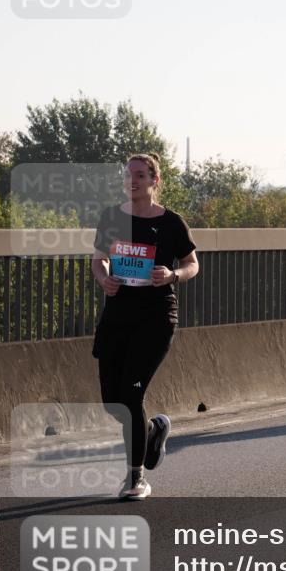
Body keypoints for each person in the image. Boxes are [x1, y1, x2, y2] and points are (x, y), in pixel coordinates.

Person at [91, 153, 199, 500]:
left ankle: (135, 477)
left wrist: (172, 275)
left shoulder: (171, 223)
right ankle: (151, 430)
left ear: (155, 180)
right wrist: (105, 279)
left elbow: (192, 264)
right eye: (128, 175)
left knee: (131, 394)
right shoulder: (112, 218)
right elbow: (98, 260)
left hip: (156, 318)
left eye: (139, 175)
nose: (132, 181)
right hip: (117, 317)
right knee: (113, 403)